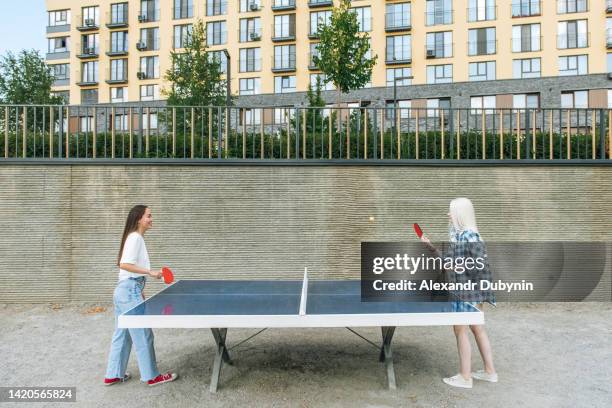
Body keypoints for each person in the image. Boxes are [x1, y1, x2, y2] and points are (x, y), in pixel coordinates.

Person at [421, 198, 497, 389]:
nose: (448, 214)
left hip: (466, 292)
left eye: (451, 211)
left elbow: (468, 265)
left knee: (460, 330)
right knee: (477, 328)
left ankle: (465, 377)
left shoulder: (467, 236)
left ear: (460, 214)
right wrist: (431, 247)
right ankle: (490, 372)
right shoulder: (467, 234)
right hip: (474, 291)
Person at [104, 205, 178, 387]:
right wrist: (150, 272)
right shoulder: (135, 238)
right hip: (128, 291)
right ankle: (152, 376)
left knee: (123, 333)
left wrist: (140, 289)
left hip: (124, 290)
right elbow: (124, 264)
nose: (151, 219)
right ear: (139, 218)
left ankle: (113, 374)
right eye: (149, 216)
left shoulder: (134, 238)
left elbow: (127, 271)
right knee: (144, 333)